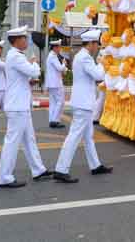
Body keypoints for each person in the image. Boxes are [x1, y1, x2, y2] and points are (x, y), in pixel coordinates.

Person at [53, 29, 112, 183]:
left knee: (88, 137)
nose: (97, 47)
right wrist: (103, 64)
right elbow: (98, 76)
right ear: (91, 44)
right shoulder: (85, 58)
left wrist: (99, 63)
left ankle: (95, 165)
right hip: (83, 103)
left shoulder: (82, 56)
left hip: (83, 101)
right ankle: (61, 169)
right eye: (96, 44)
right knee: (74, 137)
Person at [0, 26, 51, 188]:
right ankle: (5, 177)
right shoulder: (16, 56)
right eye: (24, 38)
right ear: (17, 40)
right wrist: (34, 63)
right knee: (12, 142)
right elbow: (35, 72)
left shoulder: (15, 56)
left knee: (29, 139)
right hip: (17, 106)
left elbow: (22, 78)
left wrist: (30, 78)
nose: (27, 41)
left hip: (20, 104)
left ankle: (38, 169)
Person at [45, 39, 67, 128]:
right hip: (55, 83)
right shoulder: (53, 56)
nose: (60, 49)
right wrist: (64, 64)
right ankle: (55, 120)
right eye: (59, 47)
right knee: (60, 101)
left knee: (54, 102)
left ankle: (52, 120)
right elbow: (60, 68)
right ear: (54, 47)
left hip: (52, 83)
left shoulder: (51, 56)